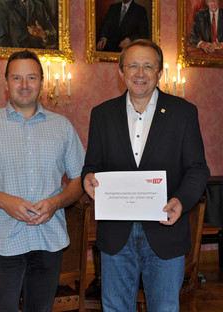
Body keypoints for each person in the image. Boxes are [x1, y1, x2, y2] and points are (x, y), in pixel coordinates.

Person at [81, 39, 210, 311]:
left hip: (166, 231)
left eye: (148, 66)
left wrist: (181, 201)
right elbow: (91, 165)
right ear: (121, 72)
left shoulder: (183, 113)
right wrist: (88, 178)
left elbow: (198, 169)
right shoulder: (101, 115)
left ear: (160, 73)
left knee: (164, 307)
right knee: (115, 308)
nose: (140, 73)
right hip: (116, 234)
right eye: (133, 66)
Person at [0, 50, 85, 312]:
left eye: (31, 78)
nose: (24, 86)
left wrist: (56, 202)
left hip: (49, 240)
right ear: (6, 83)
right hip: (3, 242)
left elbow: (79, 180)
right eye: (17, 78)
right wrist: (4, 201)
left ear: (41, 81)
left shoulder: (62, 126)